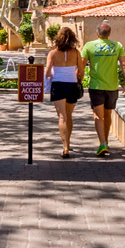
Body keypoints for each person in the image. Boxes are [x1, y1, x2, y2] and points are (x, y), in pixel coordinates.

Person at [81, 21, 125, 157]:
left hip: (96, 86)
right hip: (112, 86)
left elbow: (81, 66)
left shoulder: (89, 46)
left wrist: (78, 80)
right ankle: (105, 141)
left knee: (98, 115)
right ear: (109, 34)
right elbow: (124, 65)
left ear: (97, 33)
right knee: (108, 115)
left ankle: (103, 143)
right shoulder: (117, 45)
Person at [46, 26, 86, 157]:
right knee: (68, 115)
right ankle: (68, 143)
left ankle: (65, 148)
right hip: (72, 85)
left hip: (58, 85)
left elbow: (47, 73)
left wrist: (52, 76)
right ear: (72, 38)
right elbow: (81, 72)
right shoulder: (76, 53)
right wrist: (77, 79)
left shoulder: (53, 53)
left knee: (62, 116)